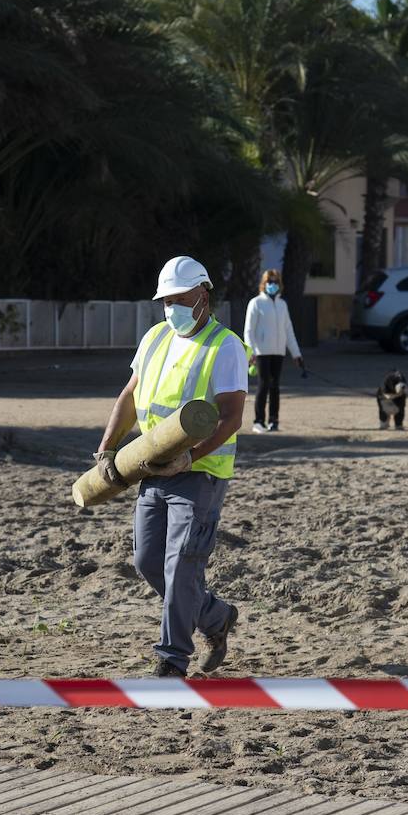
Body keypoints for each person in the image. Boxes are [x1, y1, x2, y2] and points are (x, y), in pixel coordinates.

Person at [93, 256, 246, 677]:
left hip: (201, 473)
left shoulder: (226, 345)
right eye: (166, 301)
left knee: (182, 564)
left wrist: (189, 456)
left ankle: (171, 661)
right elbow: (129, 395)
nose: (172, 308)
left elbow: (232, 416)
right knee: (147, 561)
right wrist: (107, 448)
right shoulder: (156, 338)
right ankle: (216, 618)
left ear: (203, 295)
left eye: (180, 299)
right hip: (152, 467)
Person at [243, 268, 302, 434]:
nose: (272, 285)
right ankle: (258, 421)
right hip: (261, 352)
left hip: (278, 352)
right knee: (263, 385)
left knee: (275, 386)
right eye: (269, 282)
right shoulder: (256, 303)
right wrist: (252, 352)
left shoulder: (282, 305)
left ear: (279, 284)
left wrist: (296, 354)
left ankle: (273, 420)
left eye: (275, 282)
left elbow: (288, 330)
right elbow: (248, 330)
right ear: (263, 284)